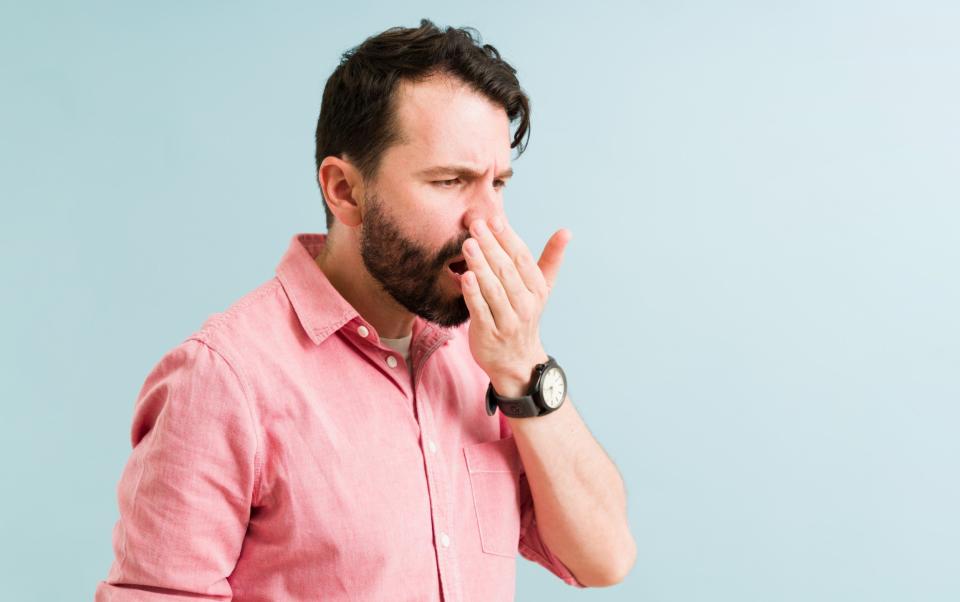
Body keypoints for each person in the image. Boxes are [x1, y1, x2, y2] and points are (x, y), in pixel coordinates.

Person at [96, 19, 636, 601]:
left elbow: (602, 559)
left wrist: (523, 364)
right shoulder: (223, 380)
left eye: (497, 184)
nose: (489, 224)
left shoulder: (488, 360)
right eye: (450, 180)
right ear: (345, 191)